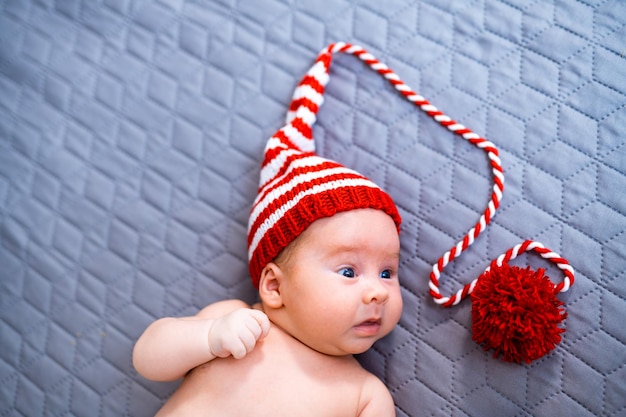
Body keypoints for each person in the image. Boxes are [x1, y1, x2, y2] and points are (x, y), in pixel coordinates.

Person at [133, 45, 404, 416]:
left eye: (388, 272)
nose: (378, 292)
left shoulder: (365, 395)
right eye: (348, 271)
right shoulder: (232, 320)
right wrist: (210, 338)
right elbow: (148, 358)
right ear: (275, 287)